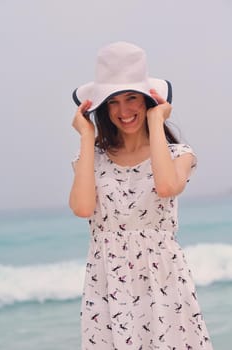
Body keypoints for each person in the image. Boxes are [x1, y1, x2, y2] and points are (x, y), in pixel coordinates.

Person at [69, 42, 213, 350]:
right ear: (103, 109)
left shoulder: (180, 154)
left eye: (132, 97)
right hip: (107, 282)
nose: (124, 111)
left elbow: (166, 187)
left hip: (163, 279)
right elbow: (82, 208)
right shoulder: (93, 159)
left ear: (148, 100)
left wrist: (156, 122)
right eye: (113, 102)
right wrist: (85, 137)